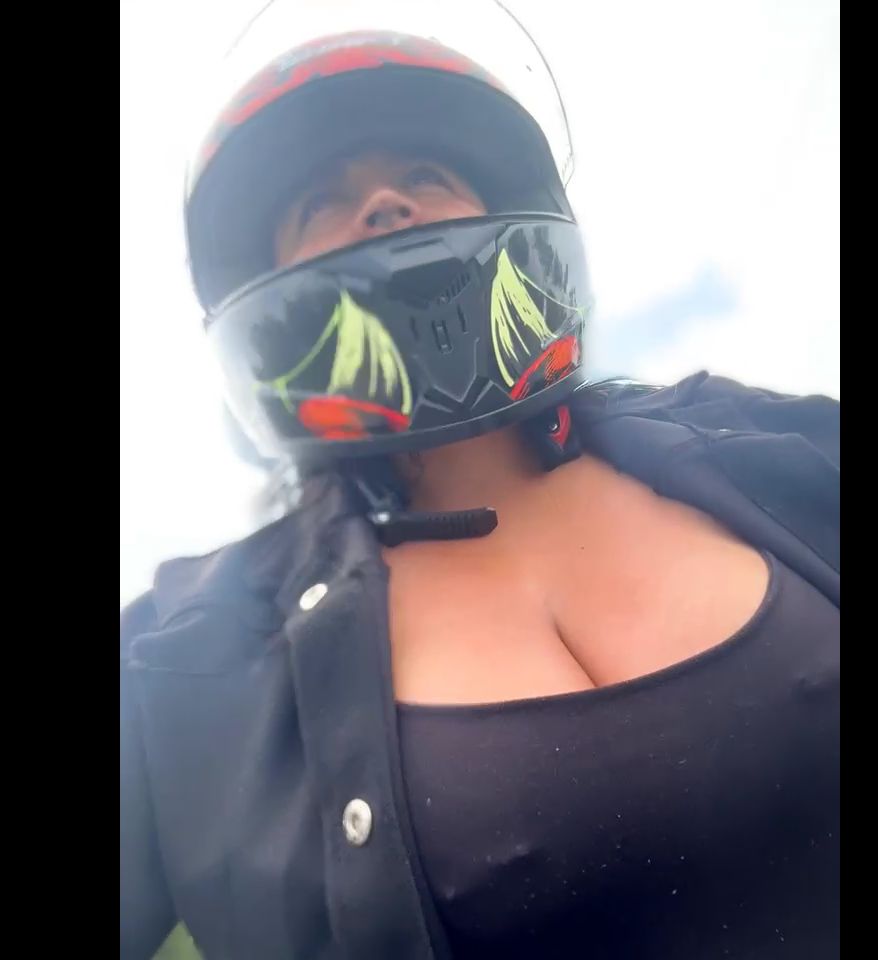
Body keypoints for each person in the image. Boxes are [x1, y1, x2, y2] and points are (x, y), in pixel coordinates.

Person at [120, 3, 839, 958]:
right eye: (322, 201)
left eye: (425, 174)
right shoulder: (186, 654)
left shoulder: (764, 440)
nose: (385, 202)